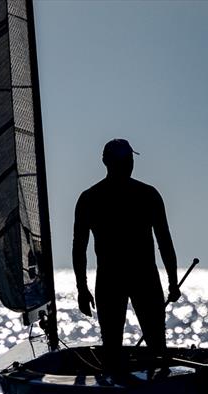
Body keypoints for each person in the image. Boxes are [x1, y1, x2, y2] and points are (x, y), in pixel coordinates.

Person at [72, 138, 180, 374]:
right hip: (117, 281)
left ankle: (151, 387)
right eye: (125, 160)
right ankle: (125, 389)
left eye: (129, 160)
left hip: (140, 280)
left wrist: (173, 281)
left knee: (155, 349)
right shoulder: (91, 198)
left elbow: (164, 241)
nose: (128, 165)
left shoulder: (146, 195)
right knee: (114, 349)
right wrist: (82, 288)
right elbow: (79, 248)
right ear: (107, 162)